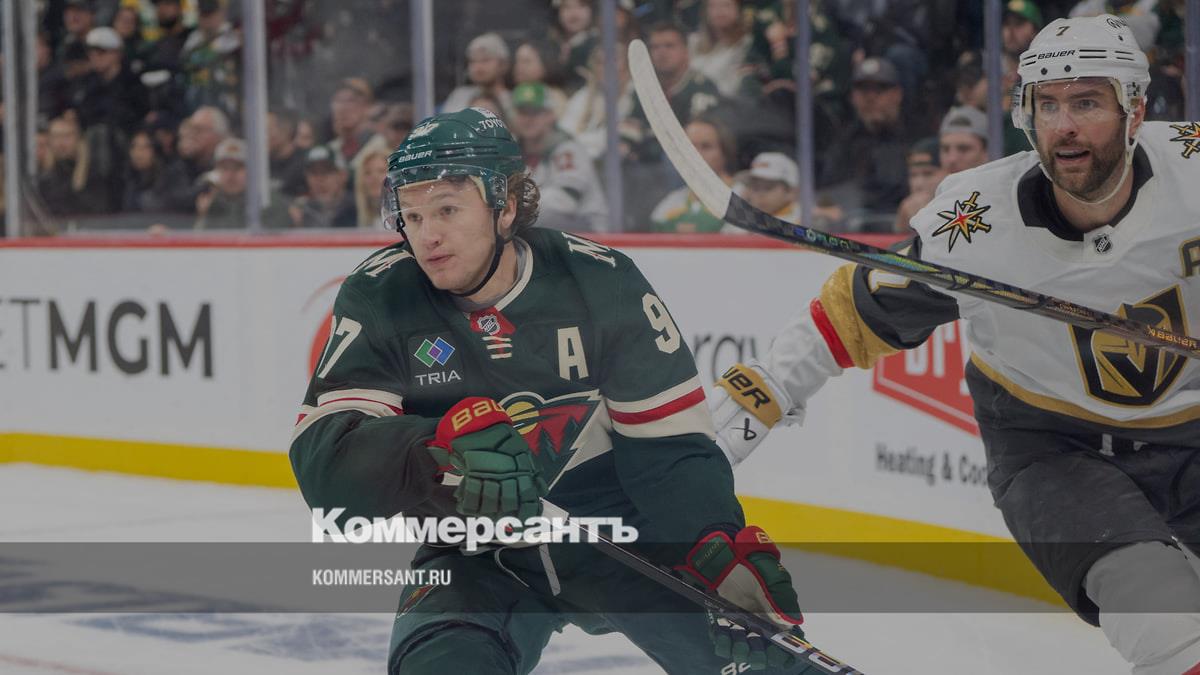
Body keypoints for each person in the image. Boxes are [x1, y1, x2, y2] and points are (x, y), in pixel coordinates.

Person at [708, 15, 1200, 675]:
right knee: (1167, 622)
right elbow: (850, 314)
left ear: (1135, 110)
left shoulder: (1194, 172)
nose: (1064, 126)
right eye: (1047, 105)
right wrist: (759, 395)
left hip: (1191, 428)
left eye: (1087, 103)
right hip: (1056, 450)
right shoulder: (976, 224)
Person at [288, 107, 824, 675]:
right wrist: (434, 448)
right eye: (413, 215)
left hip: (624, 543)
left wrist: (714, 546)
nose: (427, 236)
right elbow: (327, 469)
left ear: (505, 207)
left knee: (764, 664)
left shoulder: (600, 282)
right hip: (476, 556)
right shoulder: (381, 294)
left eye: (447, 209)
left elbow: (670, 453)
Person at [510, 83, 608, 232]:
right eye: (523, 113)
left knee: (539, 219)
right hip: (547, 225)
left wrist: (517, 204)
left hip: (589, 229)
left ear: (550, 115)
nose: (528, 119)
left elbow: (565, 202)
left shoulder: (568, 149)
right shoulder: (514, 151)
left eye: (535, 112)